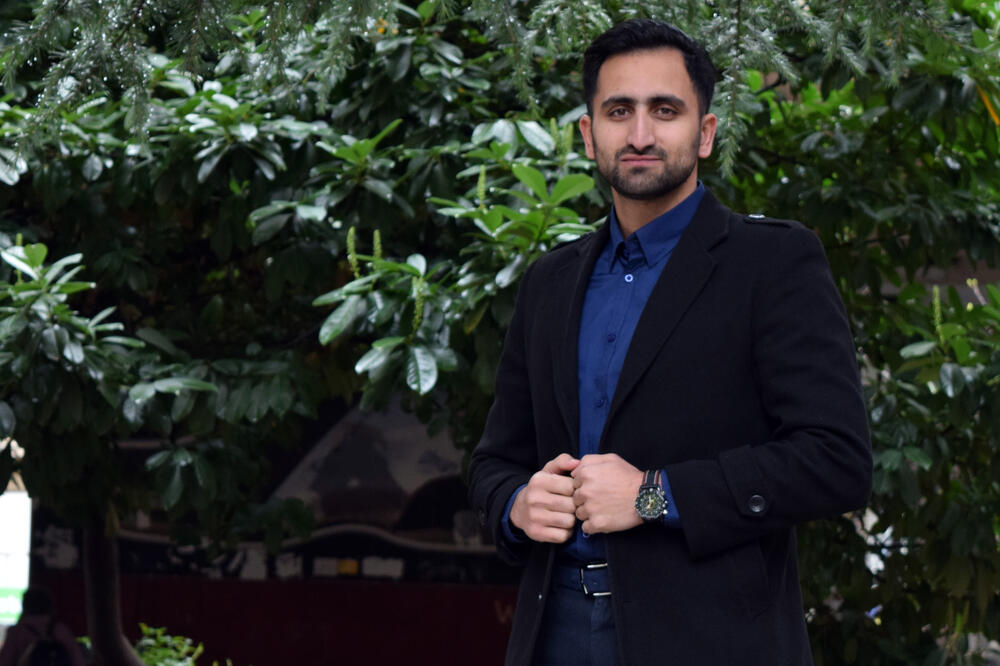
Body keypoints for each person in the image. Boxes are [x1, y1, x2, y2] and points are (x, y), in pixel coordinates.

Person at [467, 18, 872, 666]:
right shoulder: (550, 281)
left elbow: (836, 460)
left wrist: (653, 494)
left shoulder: (772, 263)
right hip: (553, 635)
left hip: (713, 643)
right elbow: (494, 463)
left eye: (665, 110)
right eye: (618, 111)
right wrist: (516, 504)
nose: (640, 135)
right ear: (588, 134)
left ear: (705, 133)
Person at [0, 588, 85, 666]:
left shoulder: (17, 632)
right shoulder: (60, 630)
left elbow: (5, 661)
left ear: (25, 605)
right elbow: (78, 661)